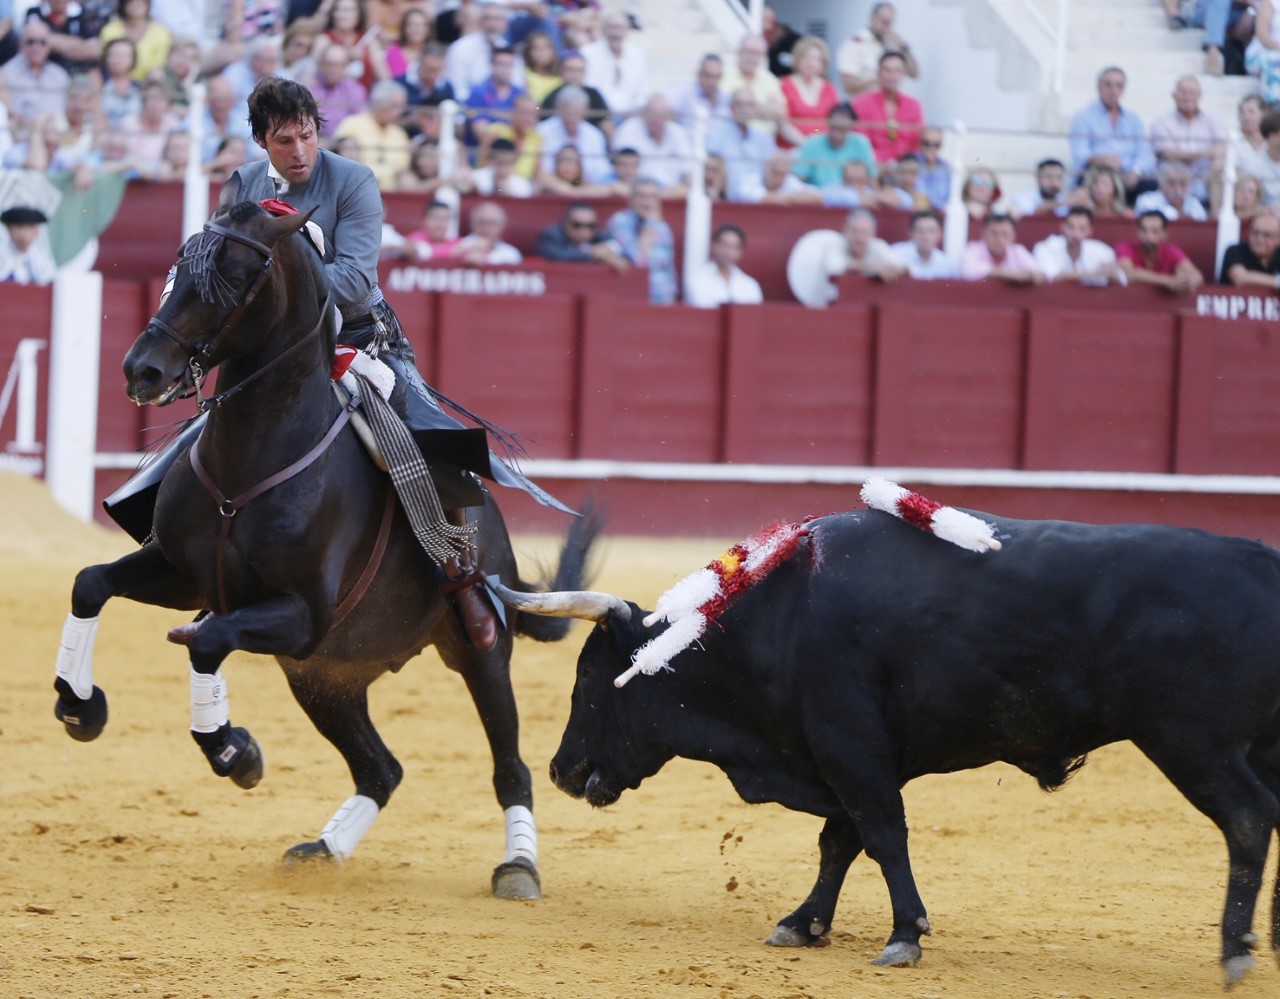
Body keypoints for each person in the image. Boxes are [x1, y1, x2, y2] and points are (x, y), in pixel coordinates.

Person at [198, 78, 569, 648]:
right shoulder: (244, 184)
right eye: (282, 141)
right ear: (260, 142)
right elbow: (219, 265)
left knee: (422, 439)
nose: (298, 152)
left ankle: (463, 574)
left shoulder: (352, 181)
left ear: (317, 130)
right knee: (204, 437)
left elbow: (354, 279)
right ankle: (184, 553)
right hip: (271, 356)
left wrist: (278, 299)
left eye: (306, 136)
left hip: (361, 340)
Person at [1068, 66, 1156, 202]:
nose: (1113, 90)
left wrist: (1135, 171)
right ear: (1098, 87)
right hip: (1096, 173)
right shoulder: (1083, 117)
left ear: (1123, 90)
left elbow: (1145, 154)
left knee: (1152, 185)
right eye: (1108, 85)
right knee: (1090, 181)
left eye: (1118, 86)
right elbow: (1080, 154)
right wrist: (1100, 160)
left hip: (1127, 175)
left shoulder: (1134, 119)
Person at [1149, 74, 1225, 211]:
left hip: (1204, 176)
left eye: (1192, 92)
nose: (1187, 96)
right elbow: (1168, 153)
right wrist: (1205, 153)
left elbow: (1221, 146)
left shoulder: (1212, 120)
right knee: (1174, 173)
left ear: (1200, 95)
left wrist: (1216, 159)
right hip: (1174, 176)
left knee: (1220, 168)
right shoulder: (1162, 121)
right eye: (1183, 92)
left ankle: (1215, 219)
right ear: (1174, 95)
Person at [606, 176, 677, 304]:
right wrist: (650, 226)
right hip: (632, 298)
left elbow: (668, 268)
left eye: (652, 197)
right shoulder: (620, 221)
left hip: (662, 300)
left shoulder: (663, 227)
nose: (647, 202)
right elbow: (639, 262)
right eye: (641, 196)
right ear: (631, 199)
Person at [332, 77, 411, 190]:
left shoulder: (399, 134)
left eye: (401, 106)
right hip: (356, 189)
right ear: (378, 103)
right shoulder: (352, 124)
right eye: (394, 105)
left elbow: (403, 170)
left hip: (391, 194)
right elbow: (338, 162)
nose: (399, 112)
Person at [851, 51, 923, 163]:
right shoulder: (862, 103)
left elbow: (916, 144)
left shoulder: (913, 106)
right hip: (871, 167)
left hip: (904, 169)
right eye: (887, 70)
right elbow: (860, 143)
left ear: (903, 75)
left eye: (897, 71)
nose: (892, 76)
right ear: (879, 74)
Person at [705, 88, 775, 202]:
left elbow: (773, 167)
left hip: (760, 193)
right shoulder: (716, 133)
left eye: (749, 105)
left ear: (755, 108)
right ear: (731, 107)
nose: (744, 109)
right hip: (730, 196)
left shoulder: (763, 138)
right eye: (739, 105)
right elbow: (711, 168)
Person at [837, 2, 918, 99]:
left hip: (887, 108)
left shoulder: (892, 44)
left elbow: (914, 73)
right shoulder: (854, 45)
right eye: (884, 22)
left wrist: (903, 47)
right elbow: (848, 85)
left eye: (890, 23)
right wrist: (881, 78)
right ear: (872, 18)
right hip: (862, 109)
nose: (887, 27)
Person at [611, 94, 691, 190]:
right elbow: (621, 169)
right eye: (653, 115)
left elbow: (688, 171)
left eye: (661, 116)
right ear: (644, 114)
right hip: (638, 192)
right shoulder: (628, 130)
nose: (656, 120)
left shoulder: (678, 133)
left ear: (668, 116)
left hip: (673, 192)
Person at [1114, 210, 1204, 293]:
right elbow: (1128, 273)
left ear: (1164, 234)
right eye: (1144, 231)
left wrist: (1187, 282)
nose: (1149, 236)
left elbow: (1196, 275)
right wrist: (1168, 281)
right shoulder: (1124, 247)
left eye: (1155, 231)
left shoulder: (1170, 251)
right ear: (1138, 232)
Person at [5, 20, 72, 131]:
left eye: (42, 42)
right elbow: (11, 115)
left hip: (57, 137)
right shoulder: (7, 74)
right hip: (21, 137)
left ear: (49, 46)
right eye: (31, 42)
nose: (36, 47)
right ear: (21, 43)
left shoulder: (59, 75)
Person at [535, 85, 610, 184]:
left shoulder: (594, 135)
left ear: (585, 110)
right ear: (559, 108)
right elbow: (541, 171)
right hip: (549, 188)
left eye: (577, 112)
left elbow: (602, 171)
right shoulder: (541, 131)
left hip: (586, 189)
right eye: (568, 111)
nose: (572, 116)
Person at [1031, 206, 1124, 285]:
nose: (1076, 234)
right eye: (1071, 227)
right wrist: (1094, 275)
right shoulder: (1045, 247)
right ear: (1062, 227)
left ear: (1090, 231)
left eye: (1082, 229)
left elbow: (1122, 280)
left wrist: (1112, 275)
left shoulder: (1102, 250)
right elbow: (1052, 277)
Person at [791, 102, 875, 189]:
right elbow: (797, 179)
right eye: (833, 128)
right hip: (819, 197)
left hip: (854, 197)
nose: (836, 134)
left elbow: (872, 179)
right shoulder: (812, 143)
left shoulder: (861, 143)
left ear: (851, 127)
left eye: (842, 130)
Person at [580, 10, 647, 117]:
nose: (616, 32)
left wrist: (635, 112)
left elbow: (642, 90)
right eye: (612, 27)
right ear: (604, 29)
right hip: (598, 113)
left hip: (630, 114)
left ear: (627, 30)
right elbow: (588, 88)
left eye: (620, 27)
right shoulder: (588, 53)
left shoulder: (637, 55)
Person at [533, 199, 629, 273]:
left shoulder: (598, 236)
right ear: (565, 223)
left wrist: (613, 256)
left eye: (590, 226)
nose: (584, 231)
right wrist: (592, 254)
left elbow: (624, 253)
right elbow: (559, 256)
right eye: (577, 225)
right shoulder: (550, 236)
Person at [778, 35, 839, 147]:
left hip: (822, 147)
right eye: (806, 57)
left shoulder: (830, 89)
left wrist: (815, 135)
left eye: (816, 59)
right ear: (797, 59)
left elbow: (833, 123)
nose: (810, 62)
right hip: (790, 148)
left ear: (823, 64)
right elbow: (782, 124)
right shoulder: (783, 85)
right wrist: (805, 144)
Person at [684, 223, 763, 308]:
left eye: (734, 247)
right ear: (714, 246)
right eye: (724, 245)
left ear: (741, 252)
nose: (728, 252)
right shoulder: (698, 280)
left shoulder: (750, 285)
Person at [825, 207, 904, 284]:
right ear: (845, 231)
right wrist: (871, 267)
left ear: (872, 234)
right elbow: (835, 268)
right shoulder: (835, 244)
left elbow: (897, 267)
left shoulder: (878, 245)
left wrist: (892, 269)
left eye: (864, 232)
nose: (859, 238)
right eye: (854, 231)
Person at [959, 213, 1043, 284]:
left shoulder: (1018, 250)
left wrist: (1030, 277)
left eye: (1005, 234)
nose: (999, 240)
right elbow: (967, 271)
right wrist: (1006, 273)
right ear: (983, 234)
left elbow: (1039, 273)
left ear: (1013, 236)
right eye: (994, 233)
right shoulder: (973, 249)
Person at [98, 0, 170, 81]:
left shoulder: (160, 32)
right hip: (112, 81)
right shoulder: (110, 30)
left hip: (146, 82)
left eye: (141, 2)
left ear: (148, 5)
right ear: (124, 5)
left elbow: (159, 64)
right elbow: (107, 60)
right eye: (131, 2)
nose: (136, 4)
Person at [309, 43, 368, 136]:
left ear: (346, 66)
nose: (333, 69)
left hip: (344, 143)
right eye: (329, 64)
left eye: (338, 65)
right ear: (321, 65)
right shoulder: (310, 87)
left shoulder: (355, 90)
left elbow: (359, 121)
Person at [666, 53, 730, 129]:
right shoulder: (683, 93)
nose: (712, 82)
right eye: (708, 75)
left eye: (717, 77)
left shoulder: (726, 100)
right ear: (699, 73)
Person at [889, 208, 955, 279]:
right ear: (911, 233)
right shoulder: (895, 253)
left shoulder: (945, 263)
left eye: (931, 231)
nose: (925, 236)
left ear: (939, 234)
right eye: (920, 231)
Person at [737, 148, 821, 204]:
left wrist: (787, 198)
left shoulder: (790, 181)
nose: (780, 179)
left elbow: (818, 196)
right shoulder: (749, 181)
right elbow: (763, 199)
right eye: (776, 173)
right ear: (766, 169)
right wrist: (790, 198)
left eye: (783, 174)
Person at [1133, 160, 1209, 221]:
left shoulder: (1194, 203)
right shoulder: (1146, 200)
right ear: (1161, 185)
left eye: (1182, 183)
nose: (1177, 188)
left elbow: (1200, 221)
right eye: (1172, 183)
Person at [1220, 209, 1280, 285]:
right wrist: (1277, 281)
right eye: (1255, 232)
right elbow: (1240, 278)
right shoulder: (1235, 251)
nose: (1260, 240)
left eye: (1267, 235)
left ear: (1278, 239)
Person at [451, 200, 521, 264]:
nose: (486, 229)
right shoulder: (460, 245)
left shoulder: (511, 254)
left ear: (501, 227)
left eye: (492, 224)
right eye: (481, 222)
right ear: (472, 224)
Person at [0, 205, 56, 285]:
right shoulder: (2, 256)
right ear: (9, 229)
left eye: (30, 226)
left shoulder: (43, 259)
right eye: (19, 226)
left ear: (36, 231)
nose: (24, 234)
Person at [465, 136, 532, 196]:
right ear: (490, 159)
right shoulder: (475, 178)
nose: (503, 169)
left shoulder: (522, 184)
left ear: (514, 161)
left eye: (507, 163)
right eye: (499, 163)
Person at [1246, 0, 1280, 102]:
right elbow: (1262, 34)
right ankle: (1273, 106)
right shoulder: (1272, 2)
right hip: (1261, 53)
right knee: (1275, 61)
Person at [915, 125, 951, 210]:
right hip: (917, 212)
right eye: (926, 143)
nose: (931, 148)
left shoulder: (947, 168)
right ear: (920, 143)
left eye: (936, 145)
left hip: (940, 214)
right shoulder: (912, 164)